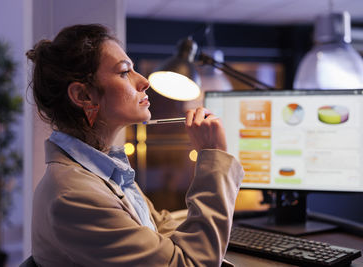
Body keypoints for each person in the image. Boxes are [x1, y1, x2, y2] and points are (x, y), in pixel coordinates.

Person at [26, 24, 244, 267]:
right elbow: (190, 264)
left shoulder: (103, 170)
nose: (143, 81)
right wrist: (213, 158)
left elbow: (158, 230)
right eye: (123, 72)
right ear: (83, 96)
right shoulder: (75, 195)